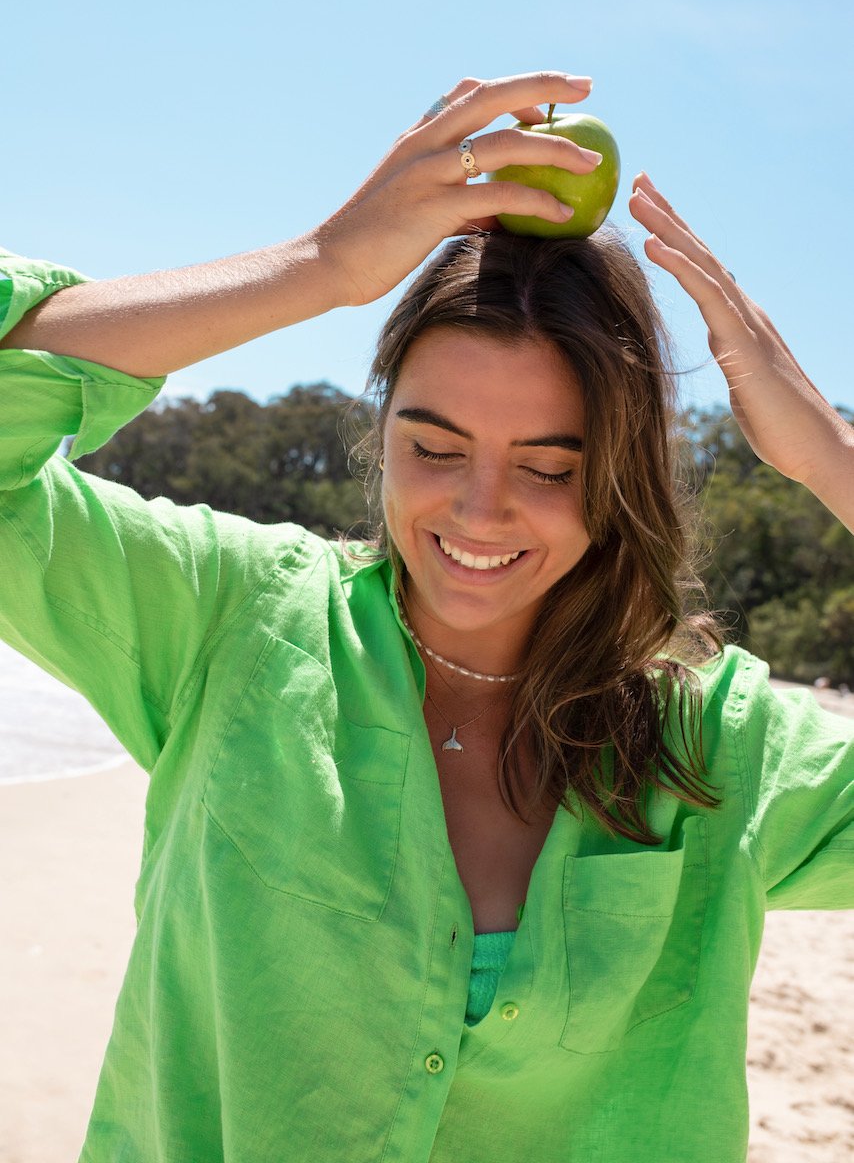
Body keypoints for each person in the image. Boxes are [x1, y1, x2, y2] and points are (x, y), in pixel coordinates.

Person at [0, 71, 851, 1163]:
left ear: (619, 477)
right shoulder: (229, 621)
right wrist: (320, 268)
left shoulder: (715, 744)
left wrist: (823, 454)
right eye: (433, 447)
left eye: (548, 466)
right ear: (382, 427)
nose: (479, 509)